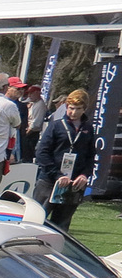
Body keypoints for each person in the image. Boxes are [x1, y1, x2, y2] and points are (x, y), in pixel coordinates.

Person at [34, 90, 95, 231]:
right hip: (50, 181)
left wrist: (84, 175)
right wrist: (57, 175)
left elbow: (91, 155)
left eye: (77, 109)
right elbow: (42, 153)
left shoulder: (88, 128)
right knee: (37, 219)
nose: (73, 112)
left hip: (73, 183)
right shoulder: (56, 126)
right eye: (71, 108)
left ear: (84, 109)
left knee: (62, 224)